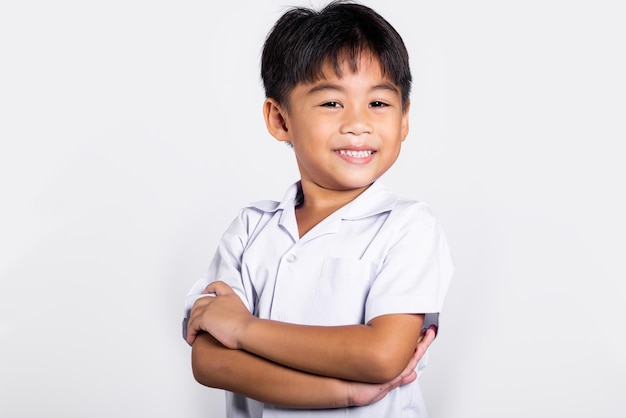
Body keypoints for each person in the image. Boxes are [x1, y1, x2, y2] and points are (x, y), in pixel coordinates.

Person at [183, 1, 453, 416]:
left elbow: (381, 355)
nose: (358, 123)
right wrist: (345, 392)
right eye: (331, 103)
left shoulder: (408, 226)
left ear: (404, 120)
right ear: (280, 119)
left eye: (378, 104)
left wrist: (242, 328)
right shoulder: (249, 229)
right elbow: (210, 361)